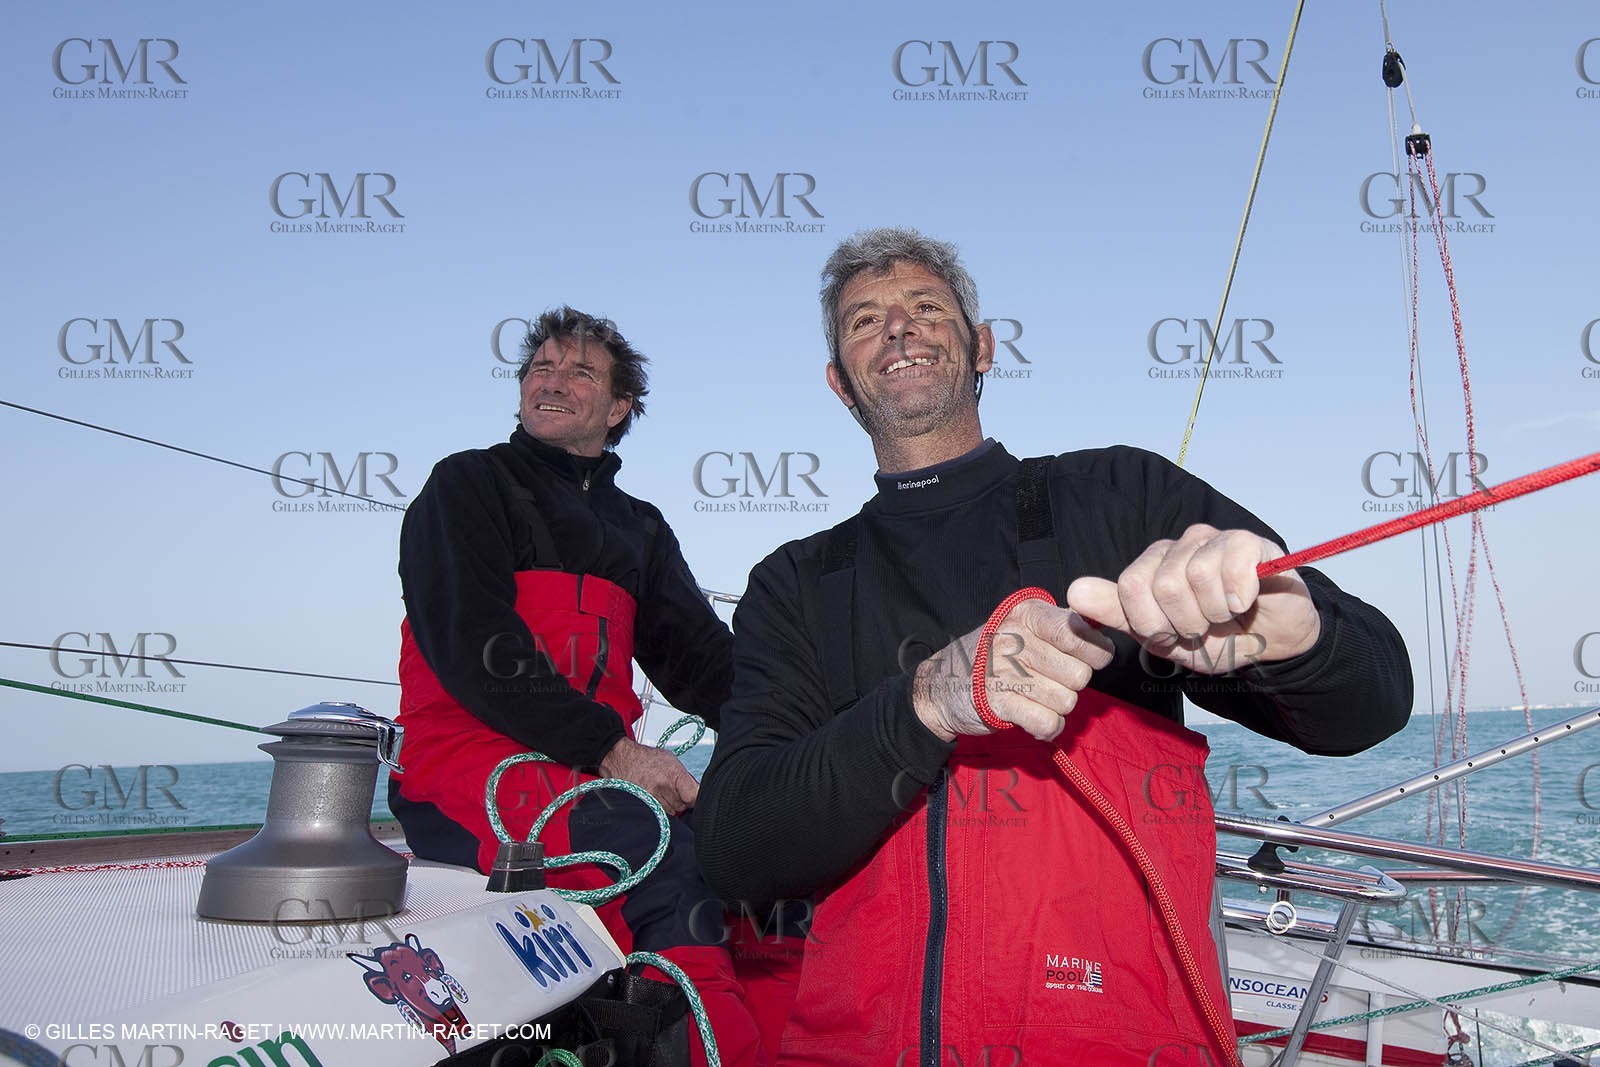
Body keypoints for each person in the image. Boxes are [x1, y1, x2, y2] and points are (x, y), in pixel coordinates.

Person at [694, 229, 1413, 1066]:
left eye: (927, 307)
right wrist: (927, 700)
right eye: (864, 321)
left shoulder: (1123, 496)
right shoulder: (794, 584)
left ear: (984, 346)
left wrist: (1299, 640)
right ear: (838, 383)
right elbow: (735, 850)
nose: (898, 329)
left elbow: (1374, 701)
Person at [391, 306, 767, 1066]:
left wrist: (794, 733)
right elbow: (475, 648)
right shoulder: (467, 485)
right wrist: (614, 751)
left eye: (579, 371)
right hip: (470, 765)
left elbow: (702, 661)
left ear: (620, 406)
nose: (551, 381)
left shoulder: (641, 528)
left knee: (743, 854)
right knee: (659, 857)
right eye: (541, 367)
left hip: (591, 771)